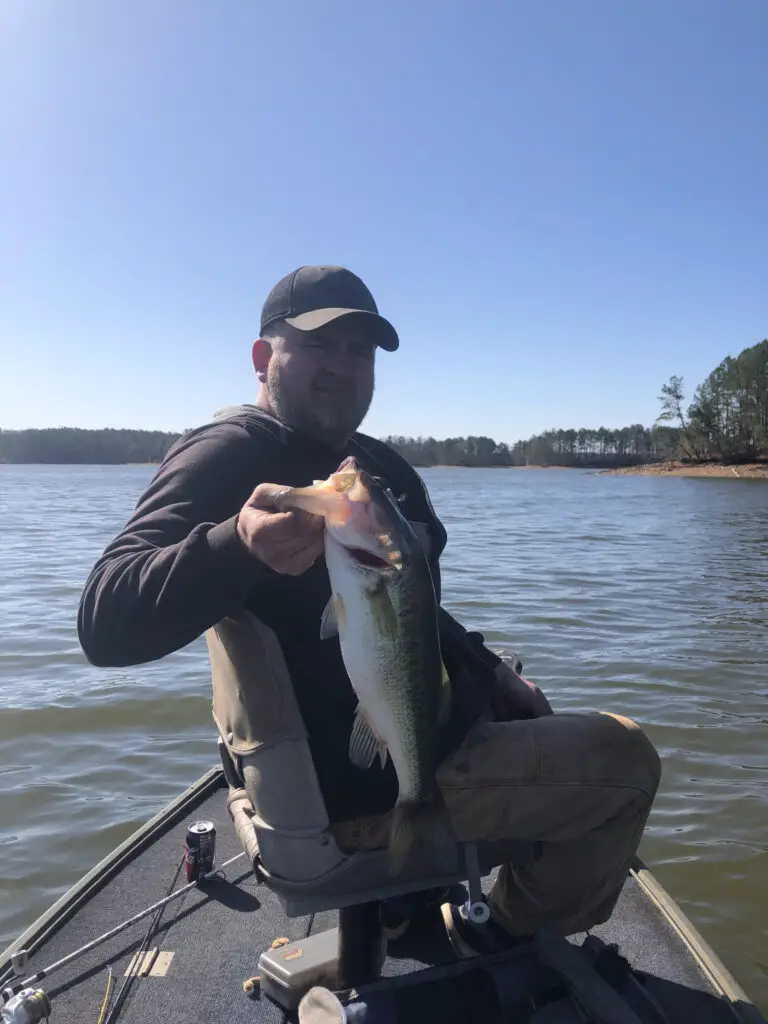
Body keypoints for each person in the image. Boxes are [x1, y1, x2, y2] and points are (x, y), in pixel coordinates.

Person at [77, 265, 661, 959]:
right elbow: (104, 620)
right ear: (264, 358)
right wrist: (236, 545)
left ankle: (399, 909)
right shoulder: (227, 454)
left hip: (421, 724)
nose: (343, 367)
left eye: (361, 351)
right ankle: (500, 932)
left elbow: (410, 604)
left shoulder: (373, 467)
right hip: (354, 791)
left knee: (522, 688)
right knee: (626, 764)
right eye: (320, 345)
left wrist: (491, 673)